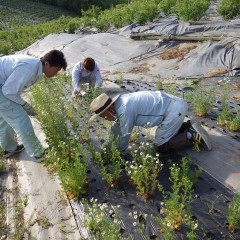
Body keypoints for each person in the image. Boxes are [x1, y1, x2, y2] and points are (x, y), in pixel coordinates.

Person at [89, 91, 211, 158]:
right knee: (166, 133)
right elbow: (116, 127)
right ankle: (187, 126)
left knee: (160, 147)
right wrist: (107, 143)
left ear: (108, 110)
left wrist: (119, 152)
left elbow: (125, 134)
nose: (104, 118)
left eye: (102, 116)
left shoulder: (125, 110)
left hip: (172, 112)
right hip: (174, 105)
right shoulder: (121, 102)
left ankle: (191, 134)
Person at [0, 50, 67, 160]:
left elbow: (13, 88)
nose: (56, 74)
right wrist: (25, 105)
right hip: (2, 88)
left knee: (4, 119)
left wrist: (23, 104)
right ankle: (38, 153)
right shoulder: (29, 68)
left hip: (2, 85)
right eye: (56, 69)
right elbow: (9, 91)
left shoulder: (35, 66)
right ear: (47, 64)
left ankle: (9, 148)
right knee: (20, 117)